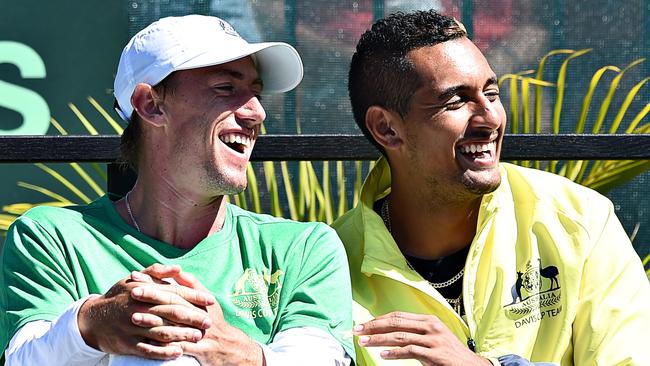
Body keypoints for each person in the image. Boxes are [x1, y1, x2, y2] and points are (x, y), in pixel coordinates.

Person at [1, 15, 354, 365]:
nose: (257, 112)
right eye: (226, 88)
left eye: (256, 93)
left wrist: (237, 354)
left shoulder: (304, 247)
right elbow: (24, 359)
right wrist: (93, 325)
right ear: (151, 106)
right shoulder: (51, 236)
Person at [332, 10, 650, 366]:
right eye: (456, 100)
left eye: (492, 93)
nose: (490, 118)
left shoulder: (579, 219)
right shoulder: (332, 263)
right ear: (387, 129)